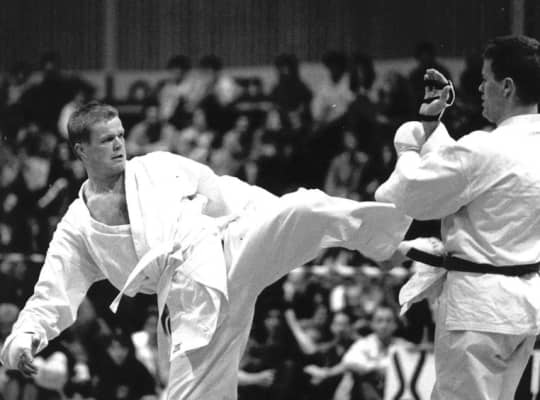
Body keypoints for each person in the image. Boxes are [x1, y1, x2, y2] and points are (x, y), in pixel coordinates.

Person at [0, 101, 412, 399]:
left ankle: (390, 240)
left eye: (121, 135)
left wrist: (271, 217)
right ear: (80, 150)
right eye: (107, 139)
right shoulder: (77, 227)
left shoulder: (157, 167)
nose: (119, 145)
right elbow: (52, 290)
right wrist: (25, 337)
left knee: (304, 206)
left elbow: (224, 191)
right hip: (187, 305)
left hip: (230, 251)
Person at [376, 35, 540, 400]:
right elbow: (471, 176)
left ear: (507, 87)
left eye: (485, 79)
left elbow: (412, 192)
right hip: (522, 309)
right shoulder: (512, 147)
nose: (479, 88)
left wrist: (408, 147)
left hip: (477, 312)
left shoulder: (487, 147)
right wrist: (433, 126)